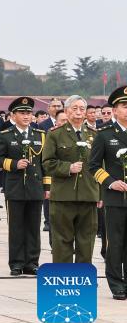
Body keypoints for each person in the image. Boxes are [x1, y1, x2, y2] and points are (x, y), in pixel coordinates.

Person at [41, 94, 100, 264]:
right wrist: (68, 168)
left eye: (82, 109)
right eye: (74, 108)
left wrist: (100, 194)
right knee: (62, 243)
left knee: (86, 243)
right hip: (63, 196)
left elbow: (100, 166)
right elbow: (47, 163)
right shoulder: (55, 134)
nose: (79, 112)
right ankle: (63, 277)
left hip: (88, 195)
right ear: (66, 111)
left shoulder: (95, 135)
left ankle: (82, 277)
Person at [0, 97, 45, 276]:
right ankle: (16, 263)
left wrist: (47, 187)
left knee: (33, 227)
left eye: (29, 113)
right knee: (16, 228)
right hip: (15, 188)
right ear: (13, 116)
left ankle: (32, 263)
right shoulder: (5, 135)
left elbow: (44, 163)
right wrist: (14, 164)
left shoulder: (40, 135)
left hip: (35, 187)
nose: (26, 116)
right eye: (22, 113)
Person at [88, 86, 127, 299]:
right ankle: (116, 283)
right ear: (114, 110)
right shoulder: (104, 134)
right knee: (115, 242)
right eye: (124, 106)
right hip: (115, 197)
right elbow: (93, 166)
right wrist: (111, 183)